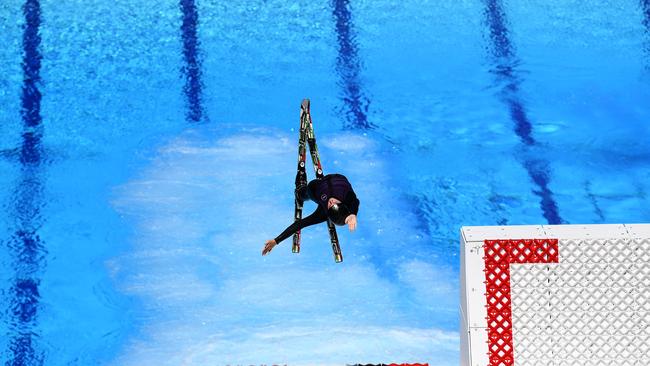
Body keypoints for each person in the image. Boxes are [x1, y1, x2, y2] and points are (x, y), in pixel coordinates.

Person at [262, 173, 359, 256]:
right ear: (342, 203)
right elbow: (355, 202)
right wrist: (353, 214)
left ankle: (300, 192)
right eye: (335, 203)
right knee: (321, 191)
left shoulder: (323, 213)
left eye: (330, 206)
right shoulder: (349, 198)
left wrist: (276, 241)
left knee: (307, 191)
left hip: (317, 187)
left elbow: (301, 224)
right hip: (337, 177)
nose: (331, 202)